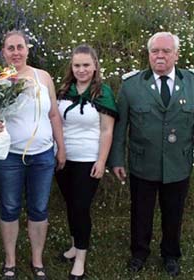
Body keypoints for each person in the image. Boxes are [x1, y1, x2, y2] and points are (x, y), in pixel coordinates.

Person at [108, 32, 194, 277]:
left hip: (178, 162)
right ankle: (139, 253)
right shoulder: (131, 85)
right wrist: (116, 159)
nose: (160, 55)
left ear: (176, 55)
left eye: (166, 51)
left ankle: (170, 254)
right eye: (155, 51)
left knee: (174, 212)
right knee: (141, 211)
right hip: (142, 162)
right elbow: (120, 127)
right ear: (148, 54)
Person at [0, 30, 66, 280]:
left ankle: (37, 259)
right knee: (9, 207)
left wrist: (61, 147)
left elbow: (53, 115)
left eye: (20, 47)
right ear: (3, 52)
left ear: (27, 49)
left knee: (39, 208)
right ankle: (10, 261)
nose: (16, 52)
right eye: (10, 48)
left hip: (42, 155)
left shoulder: (43, 77)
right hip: (9, 156)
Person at [55, 45, 117, 280]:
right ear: (71, 67)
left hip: (88, 159)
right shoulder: (63, 90)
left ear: (95, 66)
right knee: (71, 204)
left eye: (86, 65)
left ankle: (80, 258)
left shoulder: (102, 93)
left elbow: (107, 131)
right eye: (77, 65)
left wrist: (101, 161)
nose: (81, 70)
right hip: (62, 157)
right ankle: (74, 245)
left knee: (81, 207)